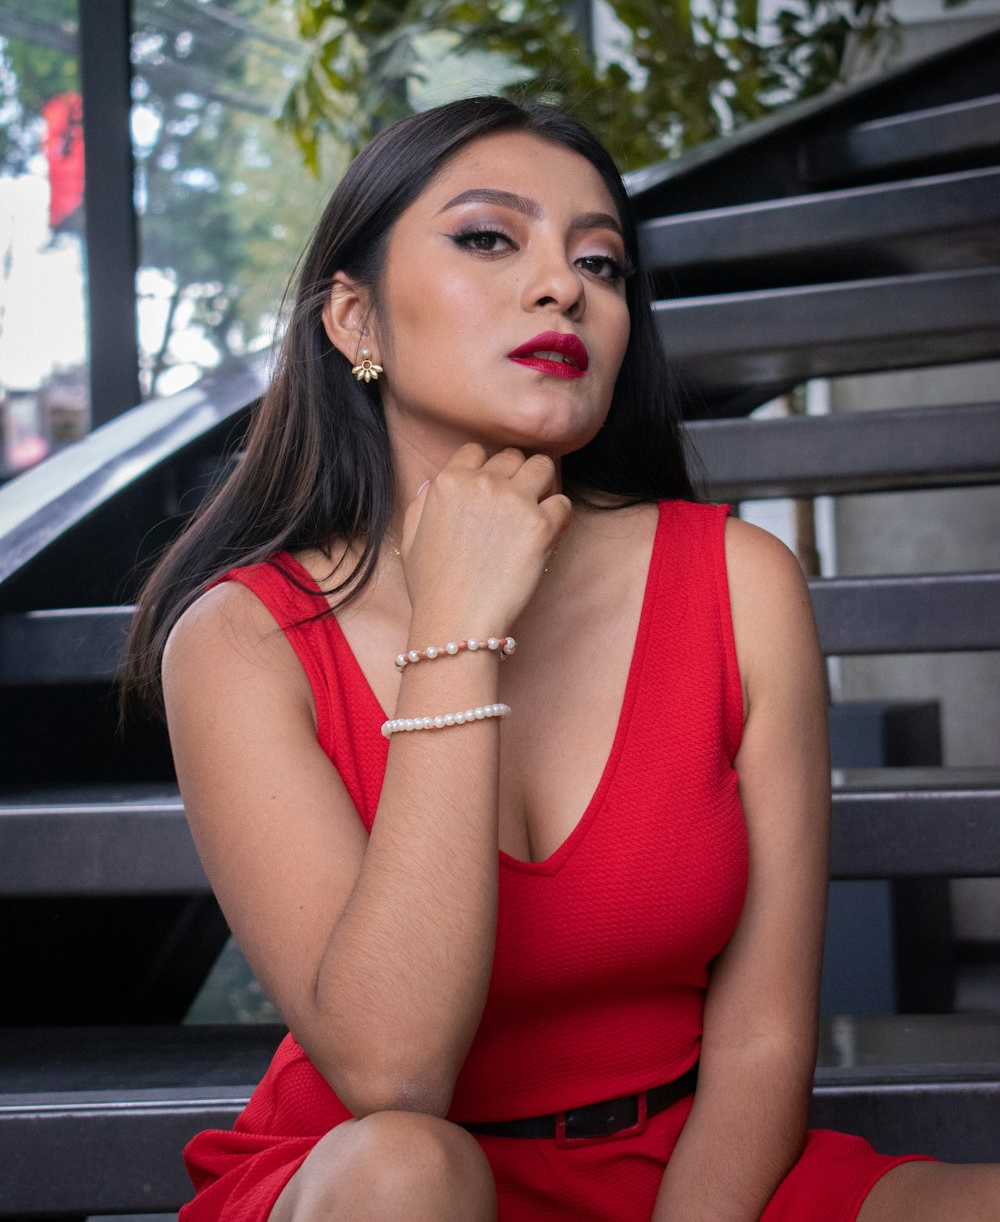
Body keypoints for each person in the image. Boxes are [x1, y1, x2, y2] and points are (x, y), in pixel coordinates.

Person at [124, 96, 1000, 1221]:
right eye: (490, 238)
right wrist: (458, 626)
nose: (562, 287)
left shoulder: (737, 580)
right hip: (386, 1185)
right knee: (407, 1171)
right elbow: (395, 1075)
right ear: (354, 322)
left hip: (696, 1171)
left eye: (602, 261)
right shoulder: (242, 638)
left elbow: (766, 1032)